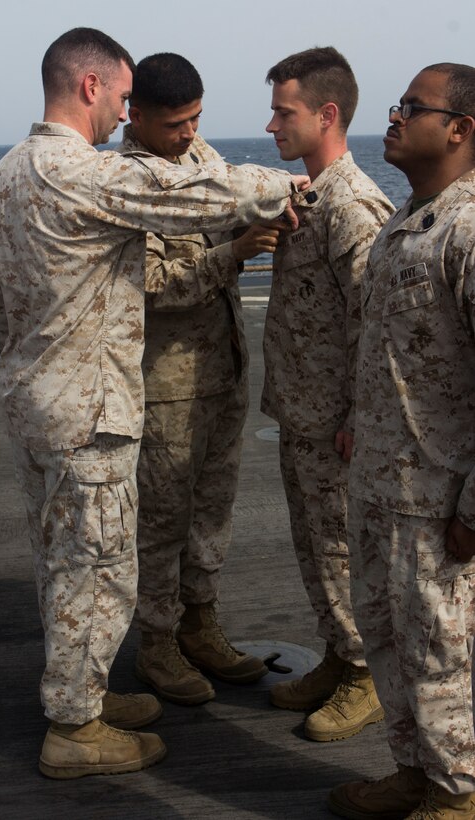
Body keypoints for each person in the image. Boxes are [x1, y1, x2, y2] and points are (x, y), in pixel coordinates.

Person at [0, 27, 308, 779]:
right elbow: (189, 189)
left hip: (39, 404)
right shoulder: (77, 172)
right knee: (98, 569)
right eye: (124, 98)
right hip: (89, 413)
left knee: (65, 563)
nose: (124, 114)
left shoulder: (3, 176)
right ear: (91, 87)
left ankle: (80, 694)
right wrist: (287, 188)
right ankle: (75, 729)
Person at [329, 63, 475, 819]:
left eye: (411, 108)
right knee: (388, 642)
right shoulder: (403, 221)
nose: (391, 117)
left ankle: (457, 795)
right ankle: (416, 772)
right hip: (383, 484)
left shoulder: (468, 227)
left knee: (441, 657)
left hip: (438, 496)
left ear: (459, 129)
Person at [118, 53, 279, 704]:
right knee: (162, 522)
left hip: (223, 369)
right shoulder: (123, 183)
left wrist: (257, 224)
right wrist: (233, 254)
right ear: (136, 115)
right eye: (175, 123)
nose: (188, 133)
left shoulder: (202, 160)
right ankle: (157, 643)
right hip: (166, 385)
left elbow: (232, 203)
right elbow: (149, 288)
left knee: (212, 513)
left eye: (196, 118)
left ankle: (199, 623)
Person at [262, 46, 394, 742]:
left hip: (336, 422)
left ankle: (367, 673)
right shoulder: (307, 197)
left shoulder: (351, 207)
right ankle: (340, 656)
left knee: (341, 551)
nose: (272, 124)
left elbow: (376, 326)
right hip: (301, 411)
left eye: (285, 112)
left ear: (327, 113)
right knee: (314, 547)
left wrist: (358, 417)